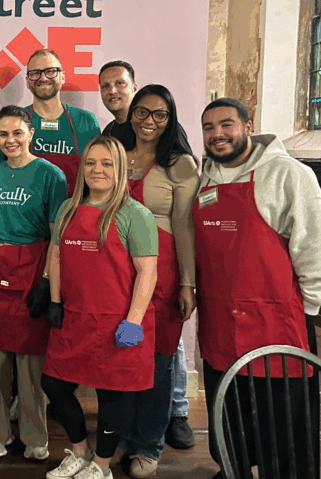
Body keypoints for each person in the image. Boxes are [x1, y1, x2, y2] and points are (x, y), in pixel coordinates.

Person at [195, 98, 321, 479]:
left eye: (226, 124)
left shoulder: (289, 174)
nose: (217, 134)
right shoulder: (204, 177)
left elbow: (316, 247)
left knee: (284, 423)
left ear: (247, 125)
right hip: (220, 321)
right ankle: (234, 469)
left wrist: (307, 307)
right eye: (209, 128)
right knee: (228, 411)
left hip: (277, 322)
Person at [41, 135, 159, 479]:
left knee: (112, 397)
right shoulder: (67, 209)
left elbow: (147, 272)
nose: (97, 169)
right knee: (54, 385)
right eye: (91, 162)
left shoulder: (136, 215)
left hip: (116, 322)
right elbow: (58, 254)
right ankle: (80, 451)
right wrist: (54, 300)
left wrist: (134, 321)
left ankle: (101, 467)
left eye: (107, 163)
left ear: (120, 168)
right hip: (75, 317)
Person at [0, 105, 68, 461]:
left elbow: (57, 236)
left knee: (30, 363)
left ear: (31, 135)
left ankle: (35, 436)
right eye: (3, 134)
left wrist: (47, 280)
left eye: (17, 133)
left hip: (31, 270)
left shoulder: (50, 175)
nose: (10, 140)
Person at [113, 85, 199, 478]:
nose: (149, 121)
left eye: (159, 114)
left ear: (170, 118)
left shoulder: (179, 164)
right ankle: (121, 437)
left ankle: (148, 443)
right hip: (115, 271)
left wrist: (187, 283)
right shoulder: (116, 154)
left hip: (162, 271)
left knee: (158, 361)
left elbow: (184, 226)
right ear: (131, 114)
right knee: (120, 356)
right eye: (142, 112)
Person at [0, 49, 100, 194]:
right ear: (28, 81)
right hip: (25, 214)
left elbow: (99, 175)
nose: (43, 78)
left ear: (62, 77)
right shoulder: (12, 122)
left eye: (51, 71)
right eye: (35, 73)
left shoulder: (86, 122)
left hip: (74, 212)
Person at [98, 60, 137, 139]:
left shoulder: (149, 126)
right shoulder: (108, 132)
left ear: (134, 89)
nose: (112, 91)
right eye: (106, 86)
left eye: (119, 83)